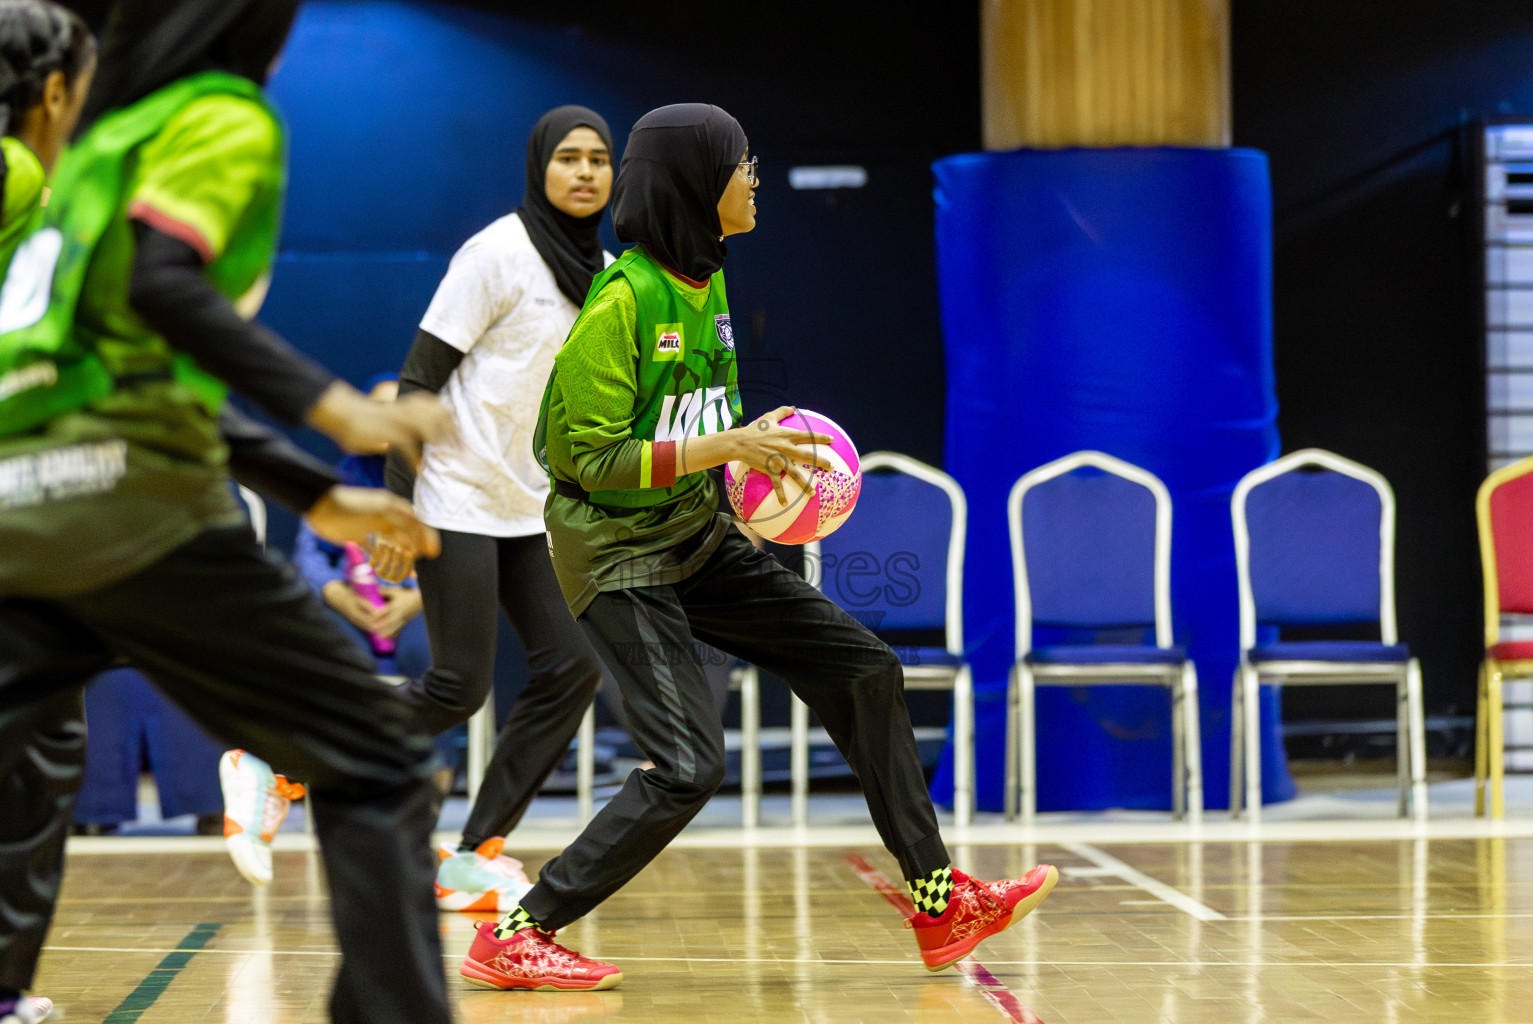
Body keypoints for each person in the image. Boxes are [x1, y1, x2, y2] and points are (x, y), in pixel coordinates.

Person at [456, 103, 1059, 994]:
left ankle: (939, 901)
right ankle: (517, 930)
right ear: (698, 184)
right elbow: (578, 456)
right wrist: (719, 449)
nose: (754, 180)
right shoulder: (622, 301)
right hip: (619, 559)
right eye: (742, 166)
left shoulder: (709, 283)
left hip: (694, 535)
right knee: (691, 766)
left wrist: (753, 446)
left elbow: (691, 424)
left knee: (863, 668)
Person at [0, 4, 457, 1024]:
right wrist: (338, 410)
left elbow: (105, 364)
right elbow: (165, 286)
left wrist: (314, 488)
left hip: (20, 513)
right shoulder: (219, 117)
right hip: (138, 512)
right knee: (380, 759)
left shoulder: (93, 156)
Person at [384, 105, 614, 912]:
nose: (584, 172)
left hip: (528, 504)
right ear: (538, 168)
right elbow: (416, 384)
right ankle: (284, 763)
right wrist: (394, 506)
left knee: (572, 670)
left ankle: (475, 853)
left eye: (598, 159)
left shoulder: (608, 275)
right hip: (454, 493)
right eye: (567, 158)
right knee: (455, 685)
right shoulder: (495, 253)